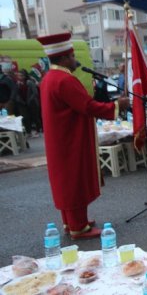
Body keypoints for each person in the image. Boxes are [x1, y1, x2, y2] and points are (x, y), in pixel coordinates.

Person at [37, 32, 130, 239]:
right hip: (70, 139)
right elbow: (86, 106)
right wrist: (116, 105)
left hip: (61, 139)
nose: (74, 60)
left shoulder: (49, 78)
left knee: (65, 181)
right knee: (74, 180)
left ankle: (71, 222)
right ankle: (79, 227)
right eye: (71, 56)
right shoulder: (64, 80)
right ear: (62, 58)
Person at [14, 69, 42, 135]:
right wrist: (20, 101)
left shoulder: (29, 82)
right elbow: (16, 93)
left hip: (32, 103)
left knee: (35, 116)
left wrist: (29, 100)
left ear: (25, 76)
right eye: (19, 76)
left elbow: (35, 93)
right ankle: (28, 131)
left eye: (21, 76)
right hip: (22, 103)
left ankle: (38, 129)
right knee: (25, 117)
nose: (20, 77)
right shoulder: (17, 83)